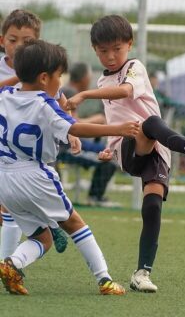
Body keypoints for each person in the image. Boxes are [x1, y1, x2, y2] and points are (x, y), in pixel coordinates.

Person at [66, 15, 185, 293]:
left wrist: (84, 96)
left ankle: (142, 273)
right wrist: (109, 149)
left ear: (129, 45)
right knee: (146, 124)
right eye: (103, 51)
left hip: (157, 150)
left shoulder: (135, 67)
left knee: (152, 205)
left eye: (117, 49)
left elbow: (125, 92)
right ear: (94, 49)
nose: (111, 57)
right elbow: (116, 116)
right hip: (129, 147)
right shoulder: (101, 82)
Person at [0, 39, 139, 295]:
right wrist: (117, 128)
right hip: (35, 174)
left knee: (43, 238)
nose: (61, 82)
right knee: (75, 224)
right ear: (44, 78)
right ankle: (104, 280)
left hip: (5, 179)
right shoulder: (45, 103)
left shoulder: (4, 95)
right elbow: (75, 126)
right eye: (59, 76)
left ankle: (12, 264)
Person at [0, 9, 75, 257]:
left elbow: (61, 105)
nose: (19, 46)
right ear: (2, 41)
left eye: (27, 42)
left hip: (34, 157)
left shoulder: (44, 73)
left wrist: (72, 132)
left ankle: (8, 263)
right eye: (13, 40)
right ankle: (48, 226)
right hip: (4, 150)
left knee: (16, 209)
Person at [61, 62, 120, 207]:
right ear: (83, 78)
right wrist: (97, 120)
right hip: (65, 147)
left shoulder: (68, 90)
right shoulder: (69, 92)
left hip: (75, 142)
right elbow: (72, 123)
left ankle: (95, 195)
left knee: (110, 152)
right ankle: (95, 197)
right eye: (89, 76)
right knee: (109, 160)